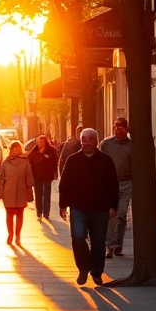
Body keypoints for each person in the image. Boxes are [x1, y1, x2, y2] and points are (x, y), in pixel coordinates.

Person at [58, 128, 118, 287]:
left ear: (96, 142)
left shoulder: (106, 161)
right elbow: (64, 183)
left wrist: (113, 205)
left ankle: (97, 273)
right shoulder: (73, 160)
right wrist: (62, 205)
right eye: (83, 140)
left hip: (100, 208)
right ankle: (83, 267)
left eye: (89, 140)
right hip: (78, 207)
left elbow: (113, 184)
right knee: (78, 237)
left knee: (98, 242)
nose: (85, 143)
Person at [99, 117, 133, 257]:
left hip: (126, 183)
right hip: (110, 183)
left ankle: (118, 243)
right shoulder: (106, 144)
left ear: (126, 129)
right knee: (111, 214)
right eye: (115, 126)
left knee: (121, 214)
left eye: (120, 127)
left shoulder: (131, 145)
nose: (117, 129)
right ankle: (110, 245)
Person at [0, 140, 34, 246]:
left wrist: (29, 189)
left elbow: (29, 177)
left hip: (21, 191)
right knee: (9, 214)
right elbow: (0, 179)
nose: (16, 150)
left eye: (18, 148)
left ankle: (18, 235)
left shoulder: (25, 162)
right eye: (14, 148)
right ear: (10, 150)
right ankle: (10, 233)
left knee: (19, 214)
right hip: (8, 192)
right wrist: (0, 193)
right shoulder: (5, 163)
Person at [27, 134, 59, 220]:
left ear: (45, 142)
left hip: (47, 175)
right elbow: (29, 160)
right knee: (38, 194)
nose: (40, 143)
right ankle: (39, 212)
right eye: (39, 141)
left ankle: (46, 213)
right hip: (37, 176)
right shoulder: (34, 151)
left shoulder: (51, 151)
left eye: (42, 141)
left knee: (47, 194)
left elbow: (54, 162)